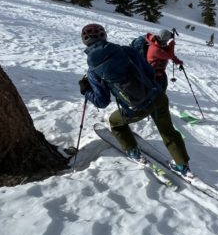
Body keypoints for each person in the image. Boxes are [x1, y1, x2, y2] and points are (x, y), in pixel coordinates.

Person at [79, 23, 190, 174]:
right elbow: (150, 72)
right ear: (104, 36)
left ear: (85, 42)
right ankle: (182, 165)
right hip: (157, 96)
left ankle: (132, 151)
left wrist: (86, 90)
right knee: (168, 130)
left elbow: (102, 102)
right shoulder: (127, 50)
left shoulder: (93, 72)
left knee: (115, 122)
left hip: (136, 108)